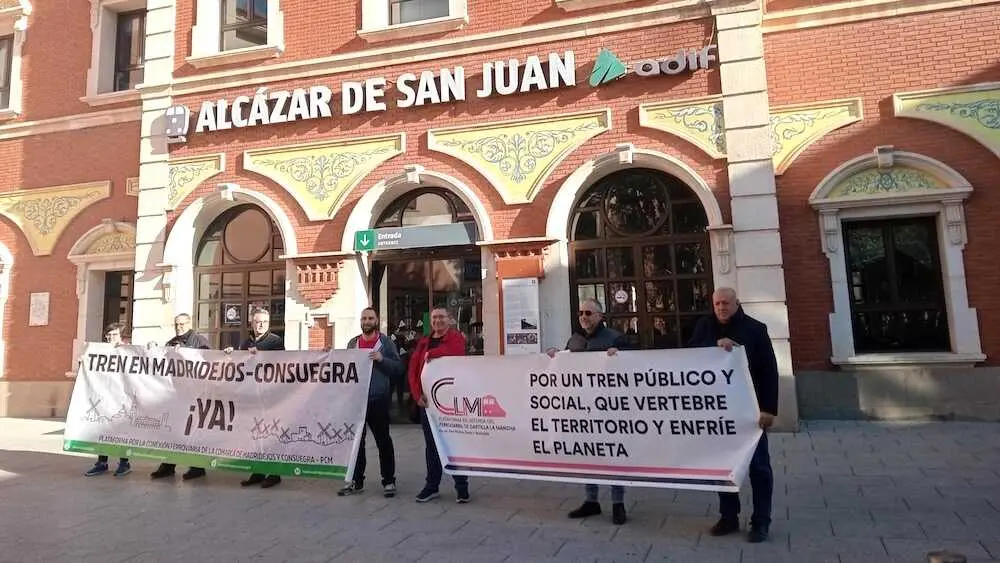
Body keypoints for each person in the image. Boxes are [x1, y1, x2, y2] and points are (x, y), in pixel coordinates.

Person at [687, 287, 779, 544]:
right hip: (717, 410)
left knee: (759, 467)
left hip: (751, 410)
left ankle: (761, 521)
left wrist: (769, 409)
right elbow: (690, 355)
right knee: (722, 467)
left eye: (726, 303)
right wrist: (713, 346)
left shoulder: (755, 329)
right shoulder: (704, 326)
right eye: (717, 304)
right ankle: (728, 517)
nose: (721, 308)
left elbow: (769, 370)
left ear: (737, 303)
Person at [546, 298, 629, 525]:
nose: (584, 316)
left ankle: (618, 503)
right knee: (588, 453)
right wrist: (556, 355)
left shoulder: (615, 338)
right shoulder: (575, 340)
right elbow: (566, 367)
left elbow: (632, 368)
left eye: (589, 313)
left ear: (600, 316)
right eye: (581, 312)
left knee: (613, 455)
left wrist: (620, 355)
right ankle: (591, 500)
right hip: (583, 409)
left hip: (609, 408)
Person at [338, 307, 401, 498]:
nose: (367, 321)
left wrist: (383, 360)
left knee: (383, 441)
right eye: (364, 318)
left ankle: (389, 481)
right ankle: (356, 481)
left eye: (370, 318)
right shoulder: (353, 343)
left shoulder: (385, 343)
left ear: (377, 320)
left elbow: (399, 368)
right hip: (356, 400)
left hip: (377, 400)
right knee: (357, 443)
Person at [409, 307, 469, 504]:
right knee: (431, 446)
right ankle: (431, 486)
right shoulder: (423, 342)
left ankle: (461, 487)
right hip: (427, 403)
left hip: (450, 402)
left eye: (441, 317)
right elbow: (413, 370)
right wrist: (417, 394)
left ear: (450, 320)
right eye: (434, 317)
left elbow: (456, 353)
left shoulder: (456, 338)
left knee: (454, 444)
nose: (437, 321)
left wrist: (434, 353)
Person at [225, 309, 285, 489]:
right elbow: (240, 363)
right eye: (258, 322)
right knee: (254, 434)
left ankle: (275, 473)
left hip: (270, 395)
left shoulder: (275, 341)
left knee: (270, 433)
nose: (260, 325)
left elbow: (282, 362)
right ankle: (258, 471)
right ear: (252, 323)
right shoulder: (246, 341)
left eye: (264, 322)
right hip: (251, 394)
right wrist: (232, 353)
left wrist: (260, 354)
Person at [151, 313, 212, 481]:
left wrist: (186, 353)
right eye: (176, 324)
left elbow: (211, 361)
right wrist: (153, 349)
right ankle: (169, 465)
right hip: (175, 394)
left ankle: (197, 467)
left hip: (195, 393)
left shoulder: (199, 341)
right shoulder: (171, 343)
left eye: (182, 324)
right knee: (173, 430)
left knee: (195, 431)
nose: (179, 327)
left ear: (189, 323)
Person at [84, 322, 133, 478]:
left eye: (114, 335)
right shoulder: (100, 351)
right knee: (103, 428)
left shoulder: (129, 351)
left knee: (121, 430)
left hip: (122, 397)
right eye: (108, 335)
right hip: (104, 396)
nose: (111, 338)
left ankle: (124, 463)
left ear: (121, 337)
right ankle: (102, 462)